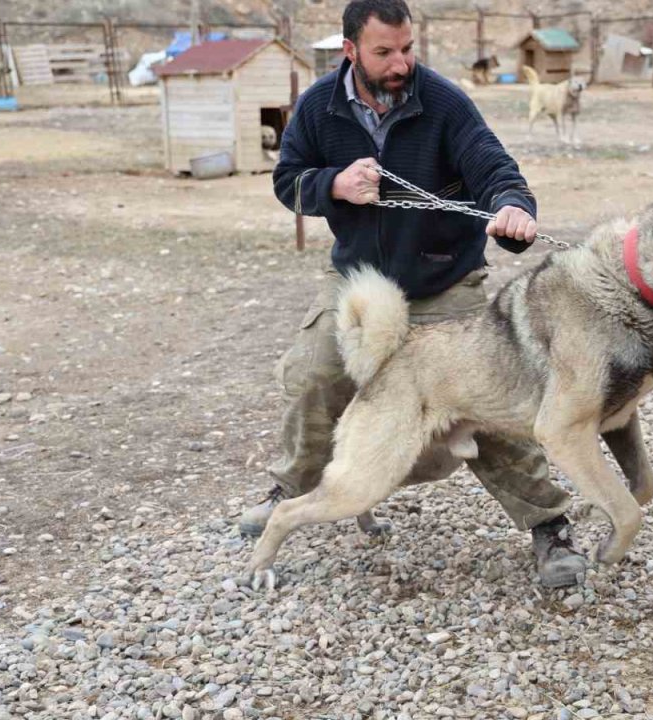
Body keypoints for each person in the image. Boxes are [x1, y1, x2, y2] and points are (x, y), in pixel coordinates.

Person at [238, 0, 589, 587]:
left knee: (491, 398)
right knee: (315, 374)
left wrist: (512, 207)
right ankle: (291, 491)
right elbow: (287, 182)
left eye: (407, 48)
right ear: (350, 50)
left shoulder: (444, 101)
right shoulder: (319, 108)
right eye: (384, 52)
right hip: (359, 279)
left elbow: (493, 166)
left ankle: (548, 526)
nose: (401, 62)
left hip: (442, 282)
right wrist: (335, 185)